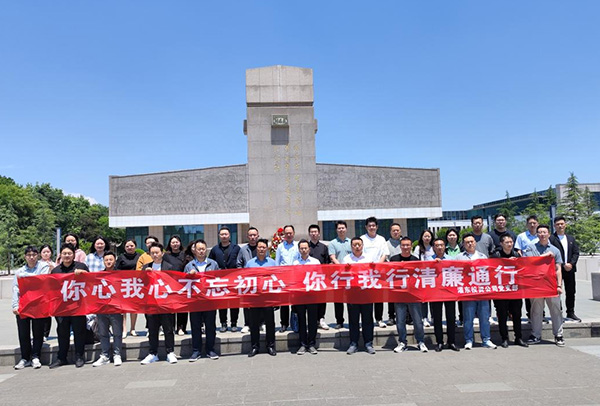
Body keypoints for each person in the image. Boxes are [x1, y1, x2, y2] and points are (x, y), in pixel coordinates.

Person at [523, 225, 565, 347]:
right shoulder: (530, 248)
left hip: (551, 285)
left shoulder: (555, 250)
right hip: (536, 285)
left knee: (556, 310)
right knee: (536, 310)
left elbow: (558, 269)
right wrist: (544, 256)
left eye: (544, 232)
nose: (542, 234)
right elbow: (528, 263)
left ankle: (558, 335)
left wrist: (559, 285)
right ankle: (535, 335)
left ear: (549, 234)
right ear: (537, 234)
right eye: (540, 232)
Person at [49, 243, 90, 368]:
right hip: (62, 308)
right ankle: (61, 358)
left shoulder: (81, 267)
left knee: (79, 332)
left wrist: (84, 273)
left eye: (69, 253)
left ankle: (79, 356)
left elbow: (91, 282)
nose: (67, 256)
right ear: (60, 255)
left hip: (78, 306)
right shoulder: (56, 271)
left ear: (73, 255)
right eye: (64, 253)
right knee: (62, 333)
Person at [12, 246, 50, 370]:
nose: (31, 257)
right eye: (29, 255)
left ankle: (35, 356)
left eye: (34, 255)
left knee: (38, 332)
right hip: (23, 305)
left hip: (38, 305)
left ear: (37, 255)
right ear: (25, 257)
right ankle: (25, 358)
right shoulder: (20, 271)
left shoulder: (43, 267)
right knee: (23, 333)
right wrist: (15, 305)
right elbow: (16, 289)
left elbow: (42, 281)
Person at [456, 233, 497, 350]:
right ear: (463, 244)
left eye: (472, 242)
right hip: (468, 292)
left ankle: (486, 339)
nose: (470, 244)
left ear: (475, 243)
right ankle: (469, 340)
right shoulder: (459, 257)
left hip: (482, 291)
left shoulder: (483, 256)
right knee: (468, 318)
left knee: (484, 317)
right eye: (467, 242)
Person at [140, 243, 178, 364]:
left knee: (168, 329)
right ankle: (153, 353)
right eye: (152, 253)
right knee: (152, 329)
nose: (155, 255)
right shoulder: (146, 267)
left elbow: (174, 284)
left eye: (157, 252)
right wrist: (145, 275)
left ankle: (170, 352)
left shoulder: (169, 267)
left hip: (165, 303)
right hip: (151, 304)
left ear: (162, 253)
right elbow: (140, 284)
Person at [389, 237, 428, 353]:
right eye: (403, 245)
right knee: (400, 321)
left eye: (408, 245)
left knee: (417, 320)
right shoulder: (394, 259)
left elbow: (420, 276)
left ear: (411, 246)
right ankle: (402, 342)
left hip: (413, 295)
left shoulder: (415, 260)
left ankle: (421, 341)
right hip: (399, 295)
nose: (405, 247)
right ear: (400, 246)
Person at [184, 239, 220, 361]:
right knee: (195, 326)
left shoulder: (213, 264)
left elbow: (219, 280)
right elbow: (183, 283)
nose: (201, 251)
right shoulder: (189, 266)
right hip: (195, 302)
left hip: (209, 300)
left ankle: (210, 349)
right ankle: (196, 351)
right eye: (198, 249)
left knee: (210, 326)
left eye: (203, 249)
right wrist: (189, 275)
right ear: (194, 250)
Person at [491, 235, 528, 348]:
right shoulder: (496, 255)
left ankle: (518, 337)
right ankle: (504, 338)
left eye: (511, 242)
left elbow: (523, 270)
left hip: (515, 290)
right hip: (501, 291)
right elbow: (491, 270)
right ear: (501, 244)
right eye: (507, 242)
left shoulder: (517, 255)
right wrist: (506, 262)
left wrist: (516, 262)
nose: (509, 244)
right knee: (502, 315)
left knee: (517, 314)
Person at [343, 237, 375, 355]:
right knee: (353, 320)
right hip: (352, 294)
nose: (357, 247)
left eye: (359, 245)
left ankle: (368, 343)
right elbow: (342, 275)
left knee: (368, 319)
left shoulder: (369, 258)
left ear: (362, 246)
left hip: (366, 293)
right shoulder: (346, 259)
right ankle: (353, 343)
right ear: (351, 246)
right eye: (354, 245)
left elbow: (374, 274)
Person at [92, 251, 124, 367]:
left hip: (116, 309)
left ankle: (117, 354)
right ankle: (105, 355)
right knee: (103, 333)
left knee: (117, 333)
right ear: (103, 261)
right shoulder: (98, 275)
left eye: (111, 260)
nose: (108, 262)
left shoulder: (121, 275)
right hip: (102, 308)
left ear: (115, 260)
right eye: (106, 260)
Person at [246, 239, 277, 357]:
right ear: (256, 248)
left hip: (268, 298)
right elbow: (245, 280)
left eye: (264, 247)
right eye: (259, 247)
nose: (261, 249)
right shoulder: (250, 264)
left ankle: (270, 346)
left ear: (267, 249)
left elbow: (277, 280)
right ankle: (255, 347)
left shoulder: (272, 263)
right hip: (254, 298)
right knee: (254, 324)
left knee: (270, 323)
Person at [209, 226, 241, 333]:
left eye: (226, 234)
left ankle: (234, 323)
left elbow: (240, 261)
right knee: (222, 302)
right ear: (219, 236)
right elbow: (211, 263)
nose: (224, 236)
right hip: (220, 280)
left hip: (233, 279)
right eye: (222, 234)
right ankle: (223, 323)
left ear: (229, 235)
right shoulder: (215, 249)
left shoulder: (236, 248)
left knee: (234, 302)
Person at [550, 216, 581, 322]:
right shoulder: (551, 239)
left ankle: (570, 312)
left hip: (570, 269)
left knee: (571, 291)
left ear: (565, 225)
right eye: (558, 224)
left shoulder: (571, 238)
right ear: (554, 226)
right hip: (557, 269)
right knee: (557, 292)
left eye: (562, 224)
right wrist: (563, 264)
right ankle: (558, 313)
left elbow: (576, 252)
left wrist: (571, 264)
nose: (560, 226)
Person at [292, 239, 321, 355]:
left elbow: (320, 276)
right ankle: (303, 344)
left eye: (305, 248)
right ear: (299, 250)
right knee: (301, 319)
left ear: (309, 249)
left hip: (312, 294)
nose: (304, 250)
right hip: (300, 295)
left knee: (313, 319)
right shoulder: (295, 263)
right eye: (301, 248)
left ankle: (312, 344)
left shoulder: (315, 262)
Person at [431, 238, 459, 352]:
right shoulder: (428, 260)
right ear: (433, 247)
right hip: (435, 293)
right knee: (437, 318)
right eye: (437, 245)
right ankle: (439, 342)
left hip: (449, 291)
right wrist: (433, 264)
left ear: (445, 247)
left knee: (451, 317)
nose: (439, 247)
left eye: (441, 245)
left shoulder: (451, 259)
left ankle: (451, 341)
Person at [360, 217, 389, 328]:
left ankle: (379, 319)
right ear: (366, 227)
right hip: (366, 272)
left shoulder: (381, 239)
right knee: (366, 297)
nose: (371, 227)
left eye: (373, 225)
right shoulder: (362, 238)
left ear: (377, 227)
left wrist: (378, 266)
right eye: (369, 226)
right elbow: (360, 253)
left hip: (378, 272)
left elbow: (384, 254)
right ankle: (367, 320)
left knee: (378, 297)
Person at [275, 225, 299, 332]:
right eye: (287, 233)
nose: (289, 235)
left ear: (294, 233)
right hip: (283, 277)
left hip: (295, 277)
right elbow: (277, 262)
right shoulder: (280, 247)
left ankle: (295, 323)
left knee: (295, 302)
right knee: (284, 302)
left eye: (290, 233)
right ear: (284, 234)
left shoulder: (297, 246)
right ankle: (284, 324)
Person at [328, 220, 352, 329]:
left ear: (346, 229)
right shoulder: (332, 243)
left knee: (351, 299)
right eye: (339, 228)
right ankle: (339, 321)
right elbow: (332, 257)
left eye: (343, 228)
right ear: (336, 230)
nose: (341, 230)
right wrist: (341, 267)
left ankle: (352, 320)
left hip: (350, 275)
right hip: (338, 275)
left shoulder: (351, 242)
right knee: (338, 299)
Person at [237, 226, 260, 334]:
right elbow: (239, 264)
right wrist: (243, 274)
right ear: (247, 236)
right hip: (247, 281)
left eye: (254, 235)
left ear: (258, 236)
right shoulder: (243, 249)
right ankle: (247, 324)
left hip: (260, 280)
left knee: (261, 302)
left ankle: (261, 323)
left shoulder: (262, 247)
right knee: (247, 303)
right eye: (250, 235)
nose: (252, 237)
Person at [307, 224, 331, 330]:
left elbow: (327, 262)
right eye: (312, 232)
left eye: (315, 232)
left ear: (319, 233)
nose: (314, 234)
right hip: (308, 278)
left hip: (321, 278)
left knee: (322, 299)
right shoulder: (306, 247)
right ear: (309, 234)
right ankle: (312, 321)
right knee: (311, 300)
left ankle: (321, 318)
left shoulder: (324, 247)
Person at [115, 239, 140, 338]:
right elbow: (116, 270)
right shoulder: (121, 257)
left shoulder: (139, 256)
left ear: (135, 246)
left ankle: (133, 328)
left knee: (134, 308)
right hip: (123, 285)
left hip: (136, 284)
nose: (129, 248)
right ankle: (124, 329)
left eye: (131, 246)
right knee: (123, 308)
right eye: (127, 246)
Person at [164, 235, 188, 335]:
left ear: (180, 243)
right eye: (173, 242)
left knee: (182, 307)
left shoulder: (185, 255)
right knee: (171, 307)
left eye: (177, 242)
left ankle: (181, 328)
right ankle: (171, 327)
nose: (175, 244)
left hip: (183, 284)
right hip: (169, 284)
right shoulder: (166, 256)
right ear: (170, 244)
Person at [413, 229, 435, 327]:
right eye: (425, 236)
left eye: (429, 236)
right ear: (422, 237)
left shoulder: (434, 247)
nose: (427, 238)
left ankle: (433, 317)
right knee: (424, 299)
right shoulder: (418, 248)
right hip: (422, 276)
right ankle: (424, 317)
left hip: (433, 276)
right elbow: (415, 261)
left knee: (433, 298)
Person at [384, 223, 402, 326]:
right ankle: (391, 316)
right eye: (393, 230)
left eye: (397, 230)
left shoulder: (404, 242)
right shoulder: (386, 244)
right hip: (391, 273)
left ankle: (407, 317)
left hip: (403, 274)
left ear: (400, 231)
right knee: (391, 296)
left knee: (404, 295)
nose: (396, 232)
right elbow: (385, 257)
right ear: (390, 232)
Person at [39, 244, 55, 341]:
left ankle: (45, 333)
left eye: (48, 252)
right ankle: (39, 333)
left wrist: (51, 269)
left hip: (50, 292)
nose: (46, 254)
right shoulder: (37, 264)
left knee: (48, 313)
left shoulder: (54, 264)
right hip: (40, 291)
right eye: (44, 252)